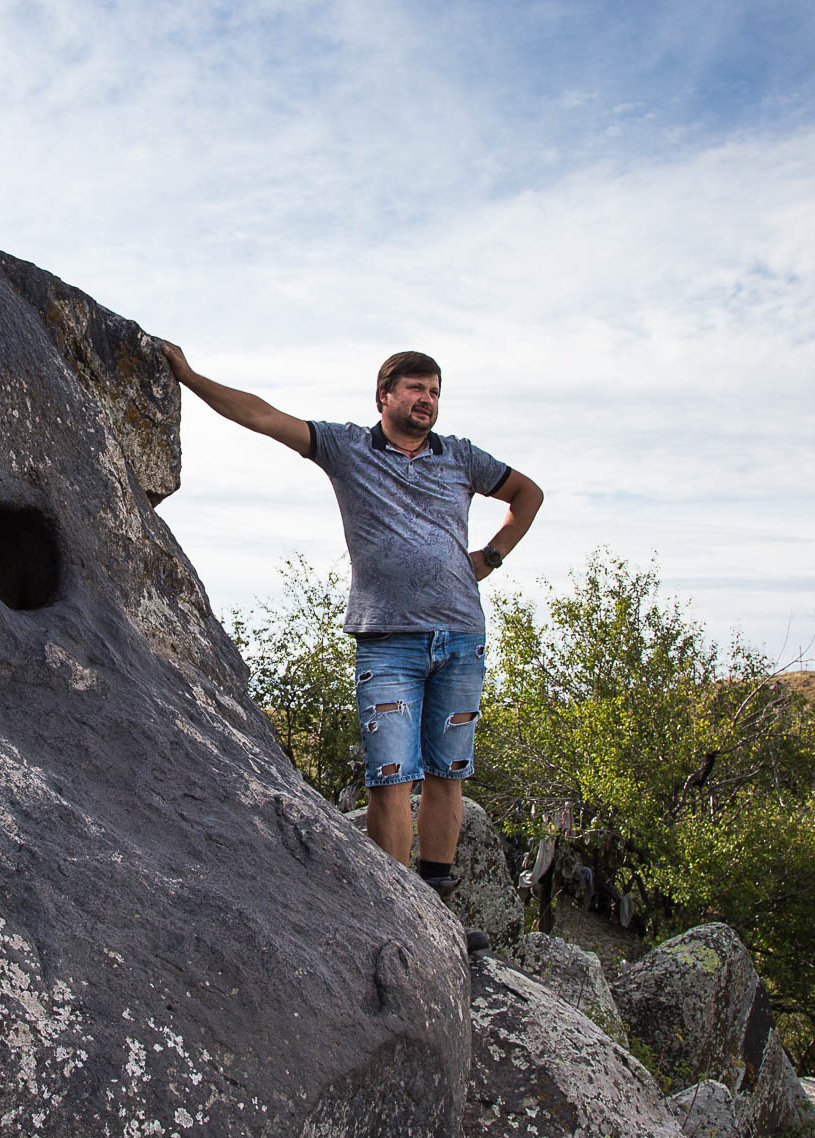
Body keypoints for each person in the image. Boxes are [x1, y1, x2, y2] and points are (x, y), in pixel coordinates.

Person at [160, 342, 542, 939]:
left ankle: (438, 912)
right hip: (387, 641)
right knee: (390, 776)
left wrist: (489, 558)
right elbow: (263, 417)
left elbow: (529, 495)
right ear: (384, 396)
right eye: (415, 389)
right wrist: (189, 376)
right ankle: (396, 916)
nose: (427, 400)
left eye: (435, 391)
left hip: (462, 636)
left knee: (448, 774)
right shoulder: (348, 447)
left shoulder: (462, 458)